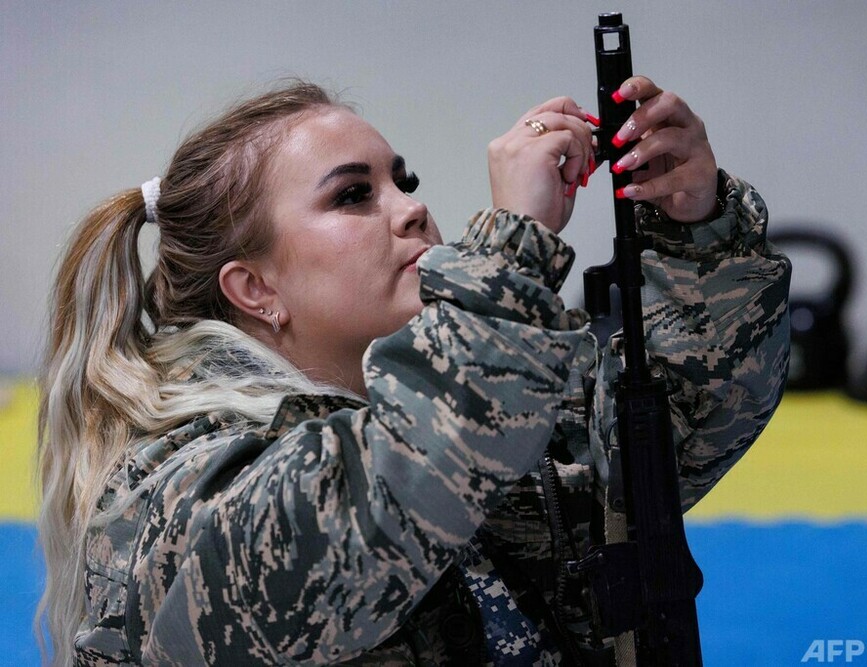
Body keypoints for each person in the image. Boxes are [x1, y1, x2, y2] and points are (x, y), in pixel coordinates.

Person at [37, 76, 790, 665]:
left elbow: (667, 441)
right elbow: (374, 501)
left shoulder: (476, 405)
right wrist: (511, 248)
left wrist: (698, 230)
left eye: (405, 179)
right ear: (254, 289)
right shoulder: (178, 490)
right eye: (354, 195)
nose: (413, 210)